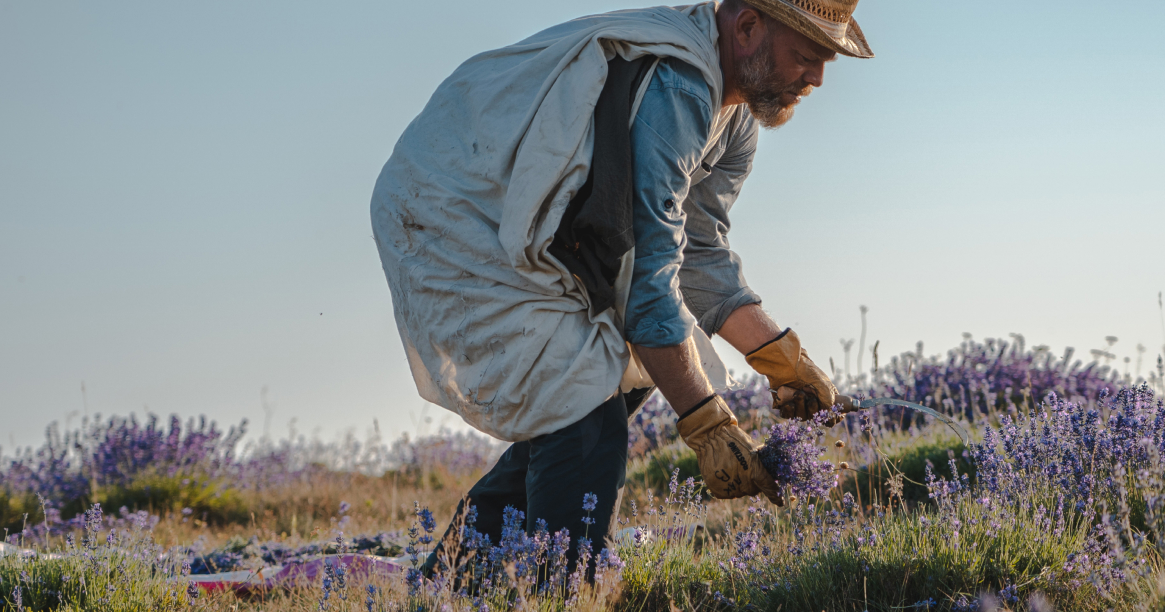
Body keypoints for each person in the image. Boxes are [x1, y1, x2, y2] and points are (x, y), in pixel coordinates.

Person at [371, 0, 871, 576]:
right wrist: (707, 425)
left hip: (536, 228)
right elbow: (646, 274)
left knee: (608, 387)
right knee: (583, 396)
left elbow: (698, 251)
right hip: (458, 213)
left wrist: (781, 359)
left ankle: (453, 589)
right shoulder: (678, 88)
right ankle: (562, 602)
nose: (817, 78)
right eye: (806, 56)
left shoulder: (734, 120)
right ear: (748, 28)